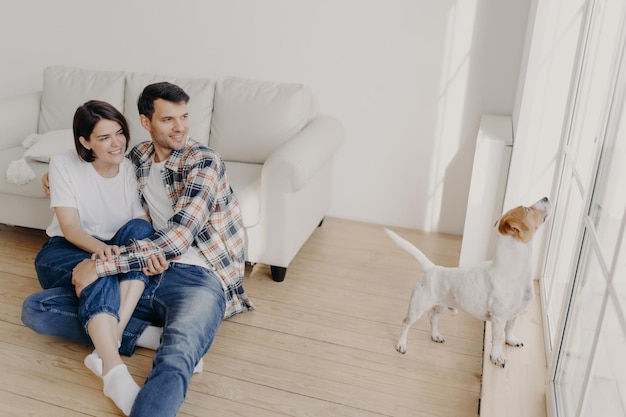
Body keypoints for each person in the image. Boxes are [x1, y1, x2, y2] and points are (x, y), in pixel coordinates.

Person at [25, 82, 254, 417]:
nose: (180, 127)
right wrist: (52, 177)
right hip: (142, 271)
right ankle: (140, 335)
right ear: (146, 123)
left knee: (178, 356)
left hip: (197, 277)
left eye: (185, 117)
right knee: (37, 308)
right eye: (168, 120)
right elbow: (95, 164)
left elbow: (178, 239)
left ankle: (128, 375)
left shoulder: (203, 161)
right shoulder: (138, 157)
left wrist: (102, 266)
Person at [22, 100, 167, 415]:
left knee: (38, 308)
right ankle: (131, 346)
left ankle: (108, 353)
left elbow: (140, 225)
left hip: (117, 250)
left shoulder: (131, 169)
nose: (116, 144)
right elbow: (70, 228)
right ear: (84, 142)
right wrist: (102, 259)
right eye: (104, 138)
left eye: (119, 133)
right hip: (65, 250)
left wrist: (108, 261)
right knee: (42, 306)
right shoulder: (62, 163)